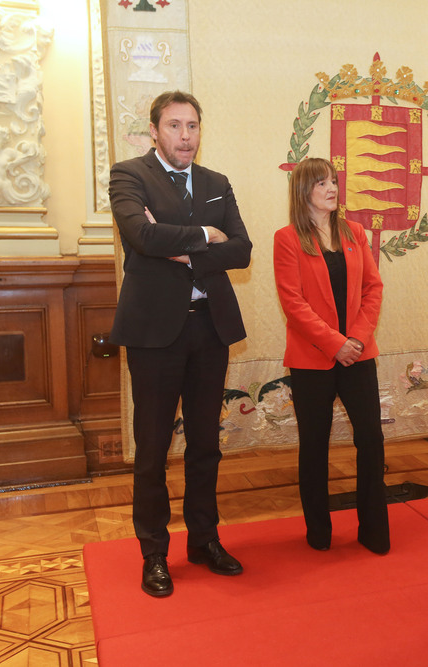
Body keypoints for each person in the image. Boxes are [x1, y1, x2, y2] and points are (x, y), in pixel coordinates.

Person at [109, 90, 253, 597]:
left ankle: (204, 540)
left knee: (206, 445)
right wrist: (204, 237)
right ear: (154, 130)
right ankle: (154, 553)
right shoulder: (129, 175)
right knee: (152, 447)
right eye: (174, 126)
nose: (185, 136)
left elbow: (242, 249)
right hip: (153, 333)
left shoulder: (216, 182)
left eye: (192, 126)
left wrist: (182, 245)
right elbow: (141, 238)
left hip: (208, 327)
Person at [273, 157, 390, 555]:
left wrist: (354, 340)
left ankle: (373, 531)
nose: (332, 188)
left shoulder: (354, 232)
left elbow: (373, 289)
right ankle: (319, 533)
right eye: (322, 182)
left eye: (335, 181)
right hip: (312, 361)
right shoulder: (287, 239)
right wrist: (334, 343)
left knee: (371, 441)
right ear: (303, 190)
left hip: (359, 356)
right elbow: (293, 303)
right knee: (314, 447)